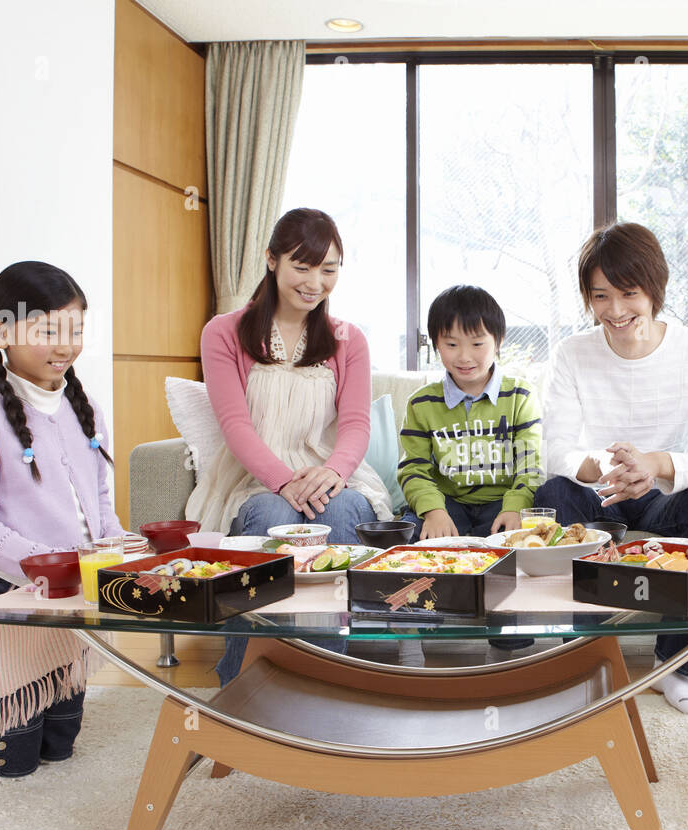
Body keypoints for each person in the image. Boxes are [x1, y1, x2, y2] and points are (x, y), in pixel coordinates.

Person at [536, 222, 688, 715]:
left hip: (667, 499)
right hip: (601, 495)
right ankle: (582, 662)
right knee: (556, 492)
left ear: (655, 289)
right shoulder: (571, 354)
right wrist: (609, 465)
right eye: (600, 296)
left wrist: (655, 464)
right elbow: (556, 449)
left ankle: (678, 667)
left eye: (628, 293)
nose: (615, 310)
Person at [187, 208, 393, 685]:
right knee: (270, 521)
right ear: (271, 260)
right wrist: (283, 481)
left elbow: (357, 425)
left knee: (340, 518)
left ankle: (323, 680)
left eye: (329, 269)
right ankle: (243, 684)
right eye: (302, 267)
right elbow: (235, 425)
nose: (315, 282)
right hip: (255, 478)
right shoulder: (223, 332)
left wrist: (333, 473)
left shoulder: (348, 339)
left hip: (333, 478)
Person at [0, 260, 124, 777]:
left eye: (76, 330)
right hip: (7, 599)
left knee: (58, 748)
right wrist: (52, 564)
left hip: (72, 602)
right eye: (48, 330)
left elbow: (100, 507)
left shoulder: (85, 410)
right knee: (8, 763)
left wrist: (122, 549)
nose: (66, 346)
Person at [397, 285, 543, 540]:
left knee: (531, 537)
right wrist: (433, 510)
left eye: (477, 344)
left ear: (498, 342)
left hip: (503, 502)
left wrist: (516, 506)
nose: (464, 357)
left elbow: (531, 465)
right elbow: (413, 469)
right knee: (410, 534)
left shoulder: (521, 396)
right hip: (446, 505)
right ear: (436, 345)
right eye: (451, 344)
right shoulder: (421, 403)